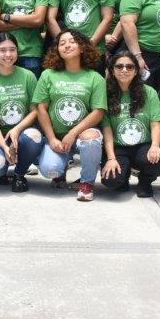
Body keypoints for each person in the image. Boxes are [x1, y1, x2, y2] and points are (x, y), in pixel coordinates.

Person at [33, 30, 106, 201]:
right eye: (62, 43)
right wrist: (51, 139)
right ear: (57, 49)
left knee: (91, 140)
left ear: (82, 47)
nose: (67, 45)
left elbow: (98, 112)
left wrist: (72, 133)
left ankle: (87, 184)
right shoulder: (48, 75)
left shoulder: (95, 77)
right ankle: (60, 171)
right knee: (50, 169)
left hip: (81, 134)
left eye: (72, 41)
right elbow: (41, 109)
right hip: (57, 137)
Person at [0, 33, 43, 191]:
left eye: (12, 50)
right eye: (2, 50)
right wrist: (5, 147)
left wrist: (17, 130)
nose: (8, 55)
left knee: (34, 136)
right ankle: (3, 168)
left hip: (22, 134)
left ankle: (19, 174)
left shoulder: (28, 76)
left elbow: (35, 111)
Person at [101, 50, 160, 197]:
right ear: (112, 70)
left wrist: (155, 146)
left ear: (136, 71)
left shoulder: (149, 92)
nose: (124, 70)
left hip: (143, 145)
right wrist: (111, 158)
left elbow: (155, 123)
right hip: (118, 147)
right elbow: (107, 129)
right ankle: (123, 177)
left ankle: (145, 181)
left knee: (159, 160)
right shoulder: (105, 93)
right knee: (111, 181)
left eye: (129, 67)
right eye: (119, 66)